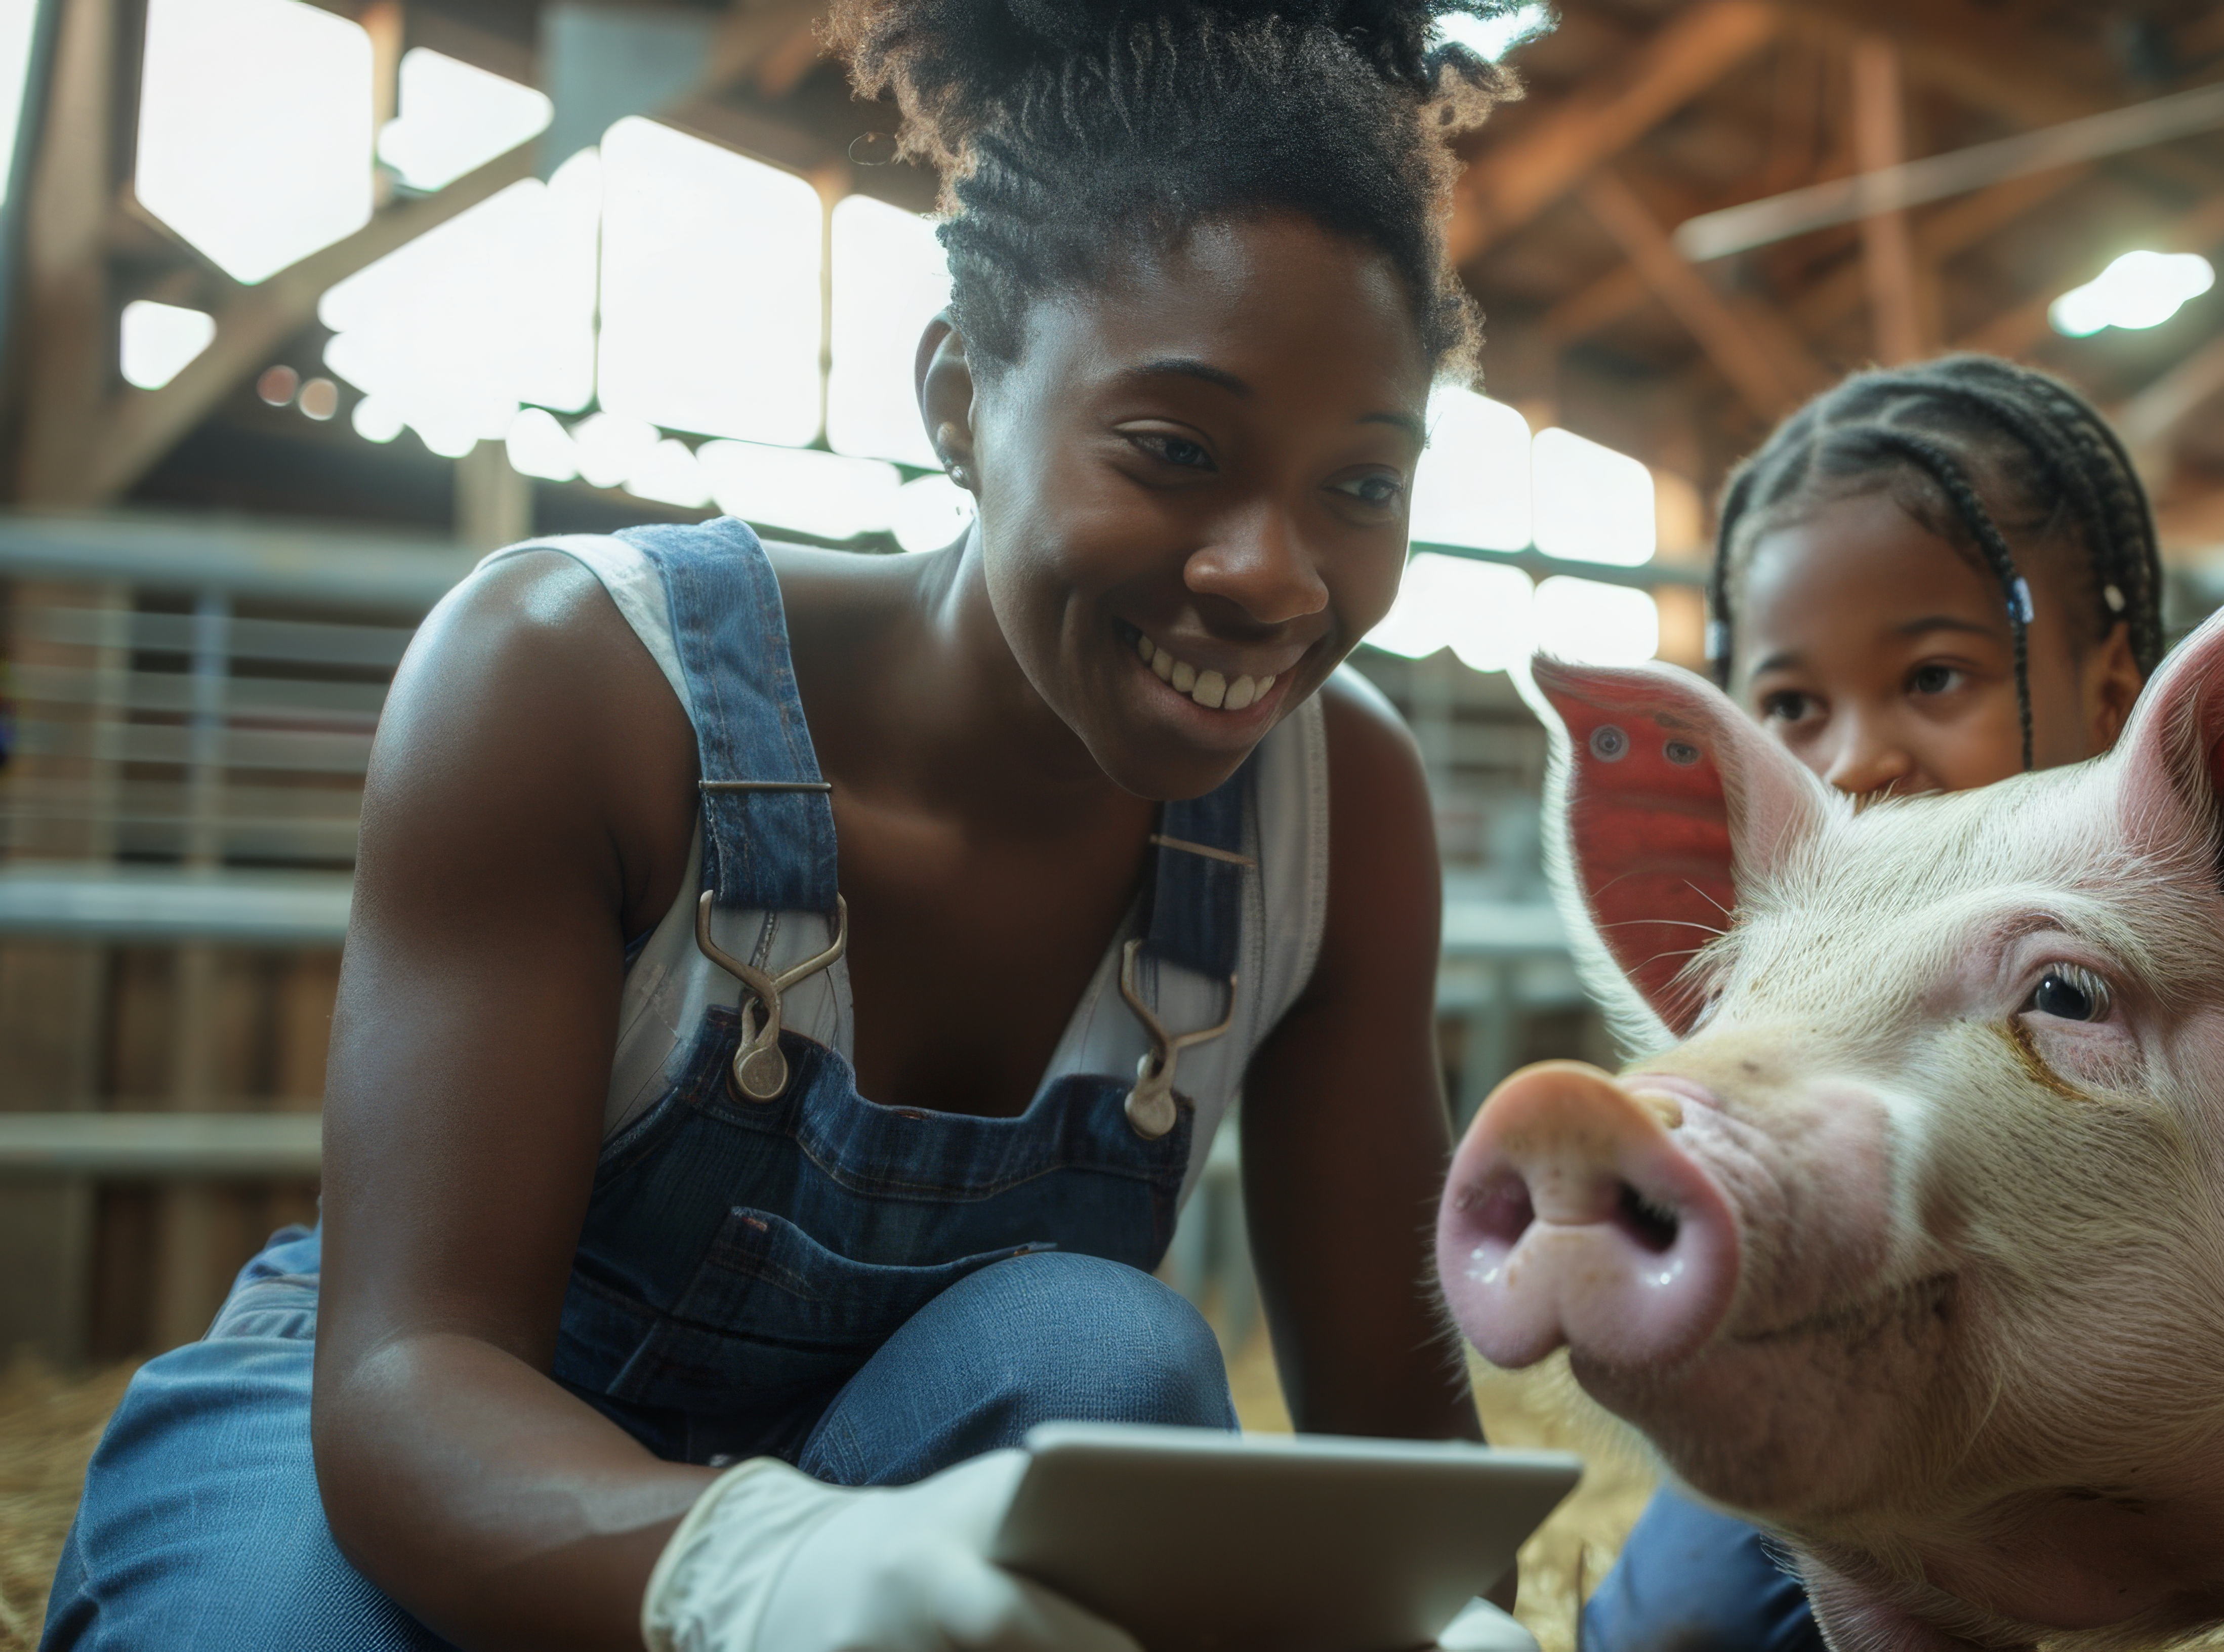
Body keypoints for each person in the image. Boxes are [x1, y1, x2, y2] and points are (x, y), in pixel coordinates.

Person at [42, 2, 1529, 1647]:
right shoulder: (582, 679)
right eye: (1173, 449)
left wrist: (1452, 1626)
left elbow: (1404, 1472)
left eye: (1362, 486)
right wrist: (766, 1572)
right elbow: (405, 1379)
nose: (1272, 572)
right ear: (961, 399)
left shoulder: (1337, 812)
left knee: (1108, 1356)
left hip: (888, 1481)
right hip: (427, 1457)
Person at [1576, 353, 2169, 1652]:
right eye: (1790, 705)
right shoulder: (1771, 995)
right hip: (1869, 1401)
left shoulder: (2195, 976)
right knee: (1683, 1626)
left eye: (1933, 679)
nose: (1854, 758)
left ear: (2112, 695)